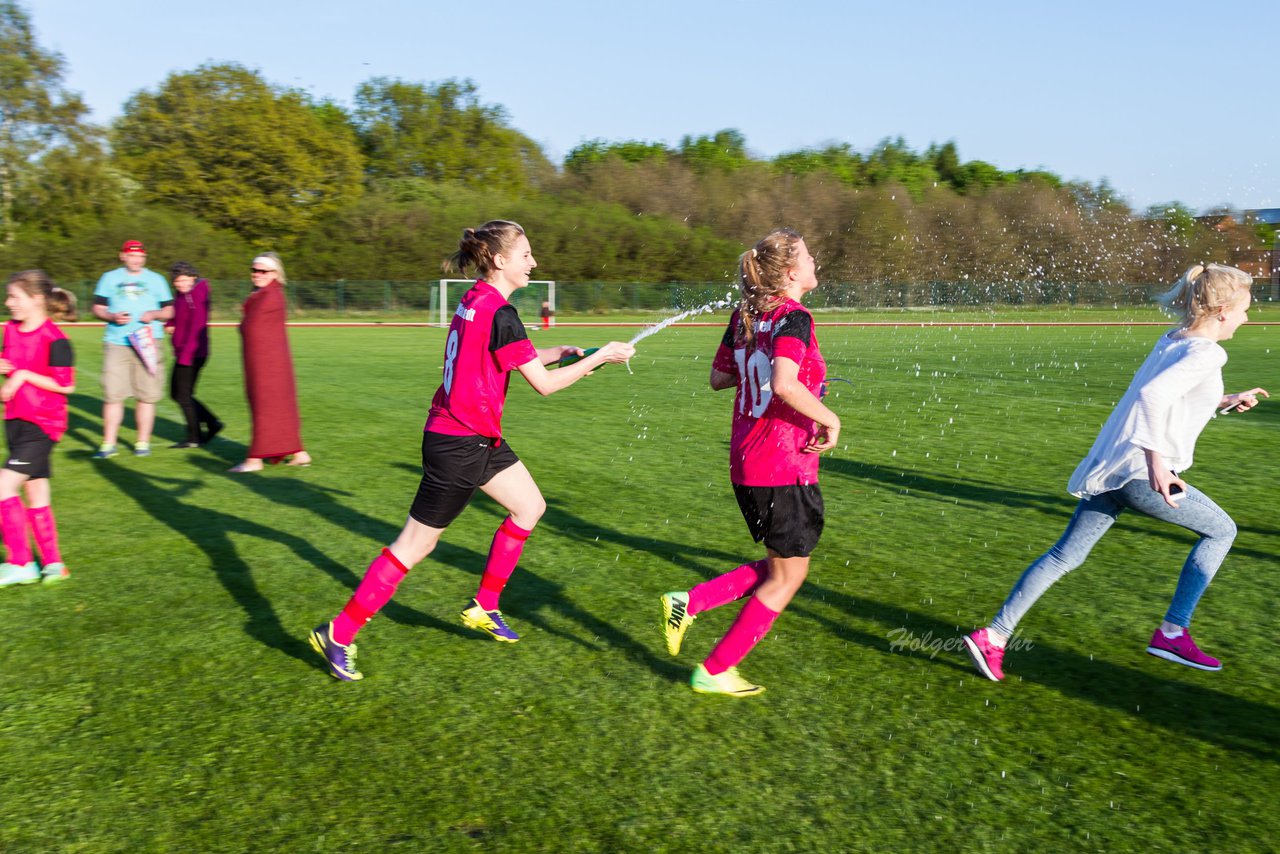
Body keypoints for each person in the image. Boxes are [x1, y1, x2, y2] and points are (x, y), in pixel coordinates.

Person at [309, 220, 635, 680]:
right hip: (458, 443)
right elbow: (542, 387)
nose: (534, 263)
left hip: (475, 437)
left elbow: (504, 354)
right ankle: (338, 634)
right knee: (415, 544)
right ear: (500, 261)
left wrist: (561, 349)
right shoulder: (501, 312)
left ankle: (484, 605)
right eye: (526, 255)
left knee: (530, 506)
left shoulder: (477, 300)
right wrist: (598, 359)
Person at [964, 263, 1268, 682]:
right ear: (1222, 311)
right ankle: (1172, 631)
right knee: (1222, 531)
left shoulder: (1175, 340)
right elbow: (1151, 395)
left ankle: (993, 636)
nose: (1248, 318)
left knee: (1064, 556)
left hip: (1116, 469)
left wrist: (1226, 400)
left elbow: (1172, 398)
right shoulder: (1209, 351)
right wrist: (1157, 464)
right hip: (1141, 475)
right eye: (1245, 309)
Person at [660, 228, 840, 697]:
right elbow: (783, 383)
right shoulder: (794, 317)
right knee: (788, 575)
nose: (815, 259)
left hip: (747, 463)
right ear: (789, 273)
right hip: (781, 464)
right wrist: (828, 416)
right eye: (807, 255)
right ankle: (714, 670)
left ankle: (689, 602)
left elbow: (720, 378)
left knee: (784, 567)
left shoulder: (746, 317)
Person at [0, 271, 77, 587]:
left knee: (3, 487)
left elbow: (66, 384)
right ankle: (53, 564)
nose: (8, 303)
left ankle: (20, 563)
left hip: (43, 424)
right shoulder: (9, 330)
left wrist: (22, 376)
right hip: (15, 420)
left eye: (14, 296)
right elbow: (10, 361)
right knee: (35, 491)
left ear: (36, 299)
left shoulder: (56, 339)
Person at [91, 239, 173, 458]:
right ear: (123, 256)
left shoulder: (156, 280)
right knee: (113, 395)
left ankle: (142, 443)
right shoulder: (110, 278)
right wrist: (111, 316)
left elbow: (169, 310)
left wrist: (153, 315)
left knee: (146, 395)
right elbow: (97, 307)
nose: (137, 260)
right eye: (132, 255)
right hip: (117, 342)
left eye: (141, 256)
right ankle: (108, 444)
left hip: (148, 342)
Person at [230, 252, 310, 472]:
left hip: (268, 364)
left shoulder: (270, 296)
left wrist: (243, 323)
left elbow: (252, 326)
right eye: (254, 270)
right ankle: (299, 453)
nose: (257, 274)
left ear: (275, 273)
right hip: (267, 361)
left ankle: (254, 459)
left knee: (266, 407)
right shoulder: (263, 294)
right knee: (279, 407)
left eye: (262, 271)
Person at [166, 261, 222, 448]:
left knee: (182, 395)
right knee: (178, 393)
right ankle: (212, 422)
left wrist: (186, 355)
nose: (180, 284)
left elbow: (197, 326)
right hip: (184, 351)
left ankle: (194, 437)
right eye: (176, 281)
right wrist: (169, 324)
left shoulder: (197, 294)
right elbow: (176, 313)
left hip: (193, 352)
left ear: (193, 277)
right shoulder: (181, 294)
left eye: (183, 280)